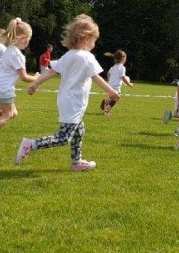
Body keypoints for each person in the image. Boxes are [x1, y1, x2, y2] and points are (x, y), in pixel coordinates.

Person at [14, 15, 119, 171]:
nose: (94, 44)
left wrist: (35, 83)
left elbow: (51, 71)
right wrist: (111, 92)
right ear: (85, 38)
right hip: (74, 103)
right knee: (63, 137)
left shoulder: (69, 55)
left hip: (66, 100)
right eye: (94, 40)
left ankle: (76, 162)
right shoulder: (88, 58)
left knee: (79, 131)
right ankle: (31, 145)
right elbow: (96, 78)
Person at [100, 50, 134, 115]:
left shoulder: (113, 67)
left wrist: (110, 80)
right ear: (123, 59)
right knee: (115, 99)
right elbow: (123, 78)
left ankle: (105, 103)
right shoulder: (122, 68)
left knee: (111, 98)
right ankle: (106, 111)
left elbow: (108, 74)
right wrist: (129, 84)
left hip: (110, 85)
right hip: (116, 86)